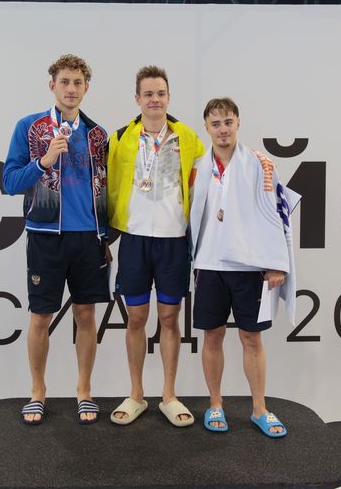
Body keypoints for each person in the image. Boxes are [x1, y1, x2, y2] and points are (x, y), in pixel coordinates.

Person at [2, 54, 110, 425]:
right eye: (64, 81)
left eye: (78, 83)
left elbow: (105, 188)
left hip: (88, 238)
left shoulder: (97, 134)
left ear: (86, 88)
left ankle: (84, 391)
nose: (71, 89)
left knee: (86, 315)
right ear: (52, 85)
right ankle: (37, 392)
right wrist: (43, 162)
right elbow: (9, 182)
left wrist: (105, 236)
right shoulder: (30, 127)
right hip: (46, 237)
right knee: (40, 317)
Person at [190, 97, 298, 437]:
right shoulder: (198, 166)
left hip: (249, 267)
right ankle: (215, 404)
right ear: (206, 128)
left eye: (228, 122)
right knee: (213, 335)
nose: (223, 129)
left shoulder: (260, 164)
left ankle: (259, 409)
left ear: (238, 123)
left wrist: (275, 263)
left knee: (252, 338)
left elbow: (276, 214)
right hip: (209, 264)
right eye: (216, 124)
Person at [107, 65, 206, 427]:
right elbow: (106, 187)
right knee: (135, 318)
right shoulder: (120, 138)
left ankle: (168, 395)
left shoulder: (189, 138)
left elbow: (204, 187)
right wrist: (105, 236)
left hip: (173, 240)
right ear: (137, 98)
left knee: (169, 318)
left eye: (160, 93)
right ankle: (136, 394)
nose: (154, 99)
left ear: (168, 97)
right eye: (148, 94)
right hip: (134, 239)